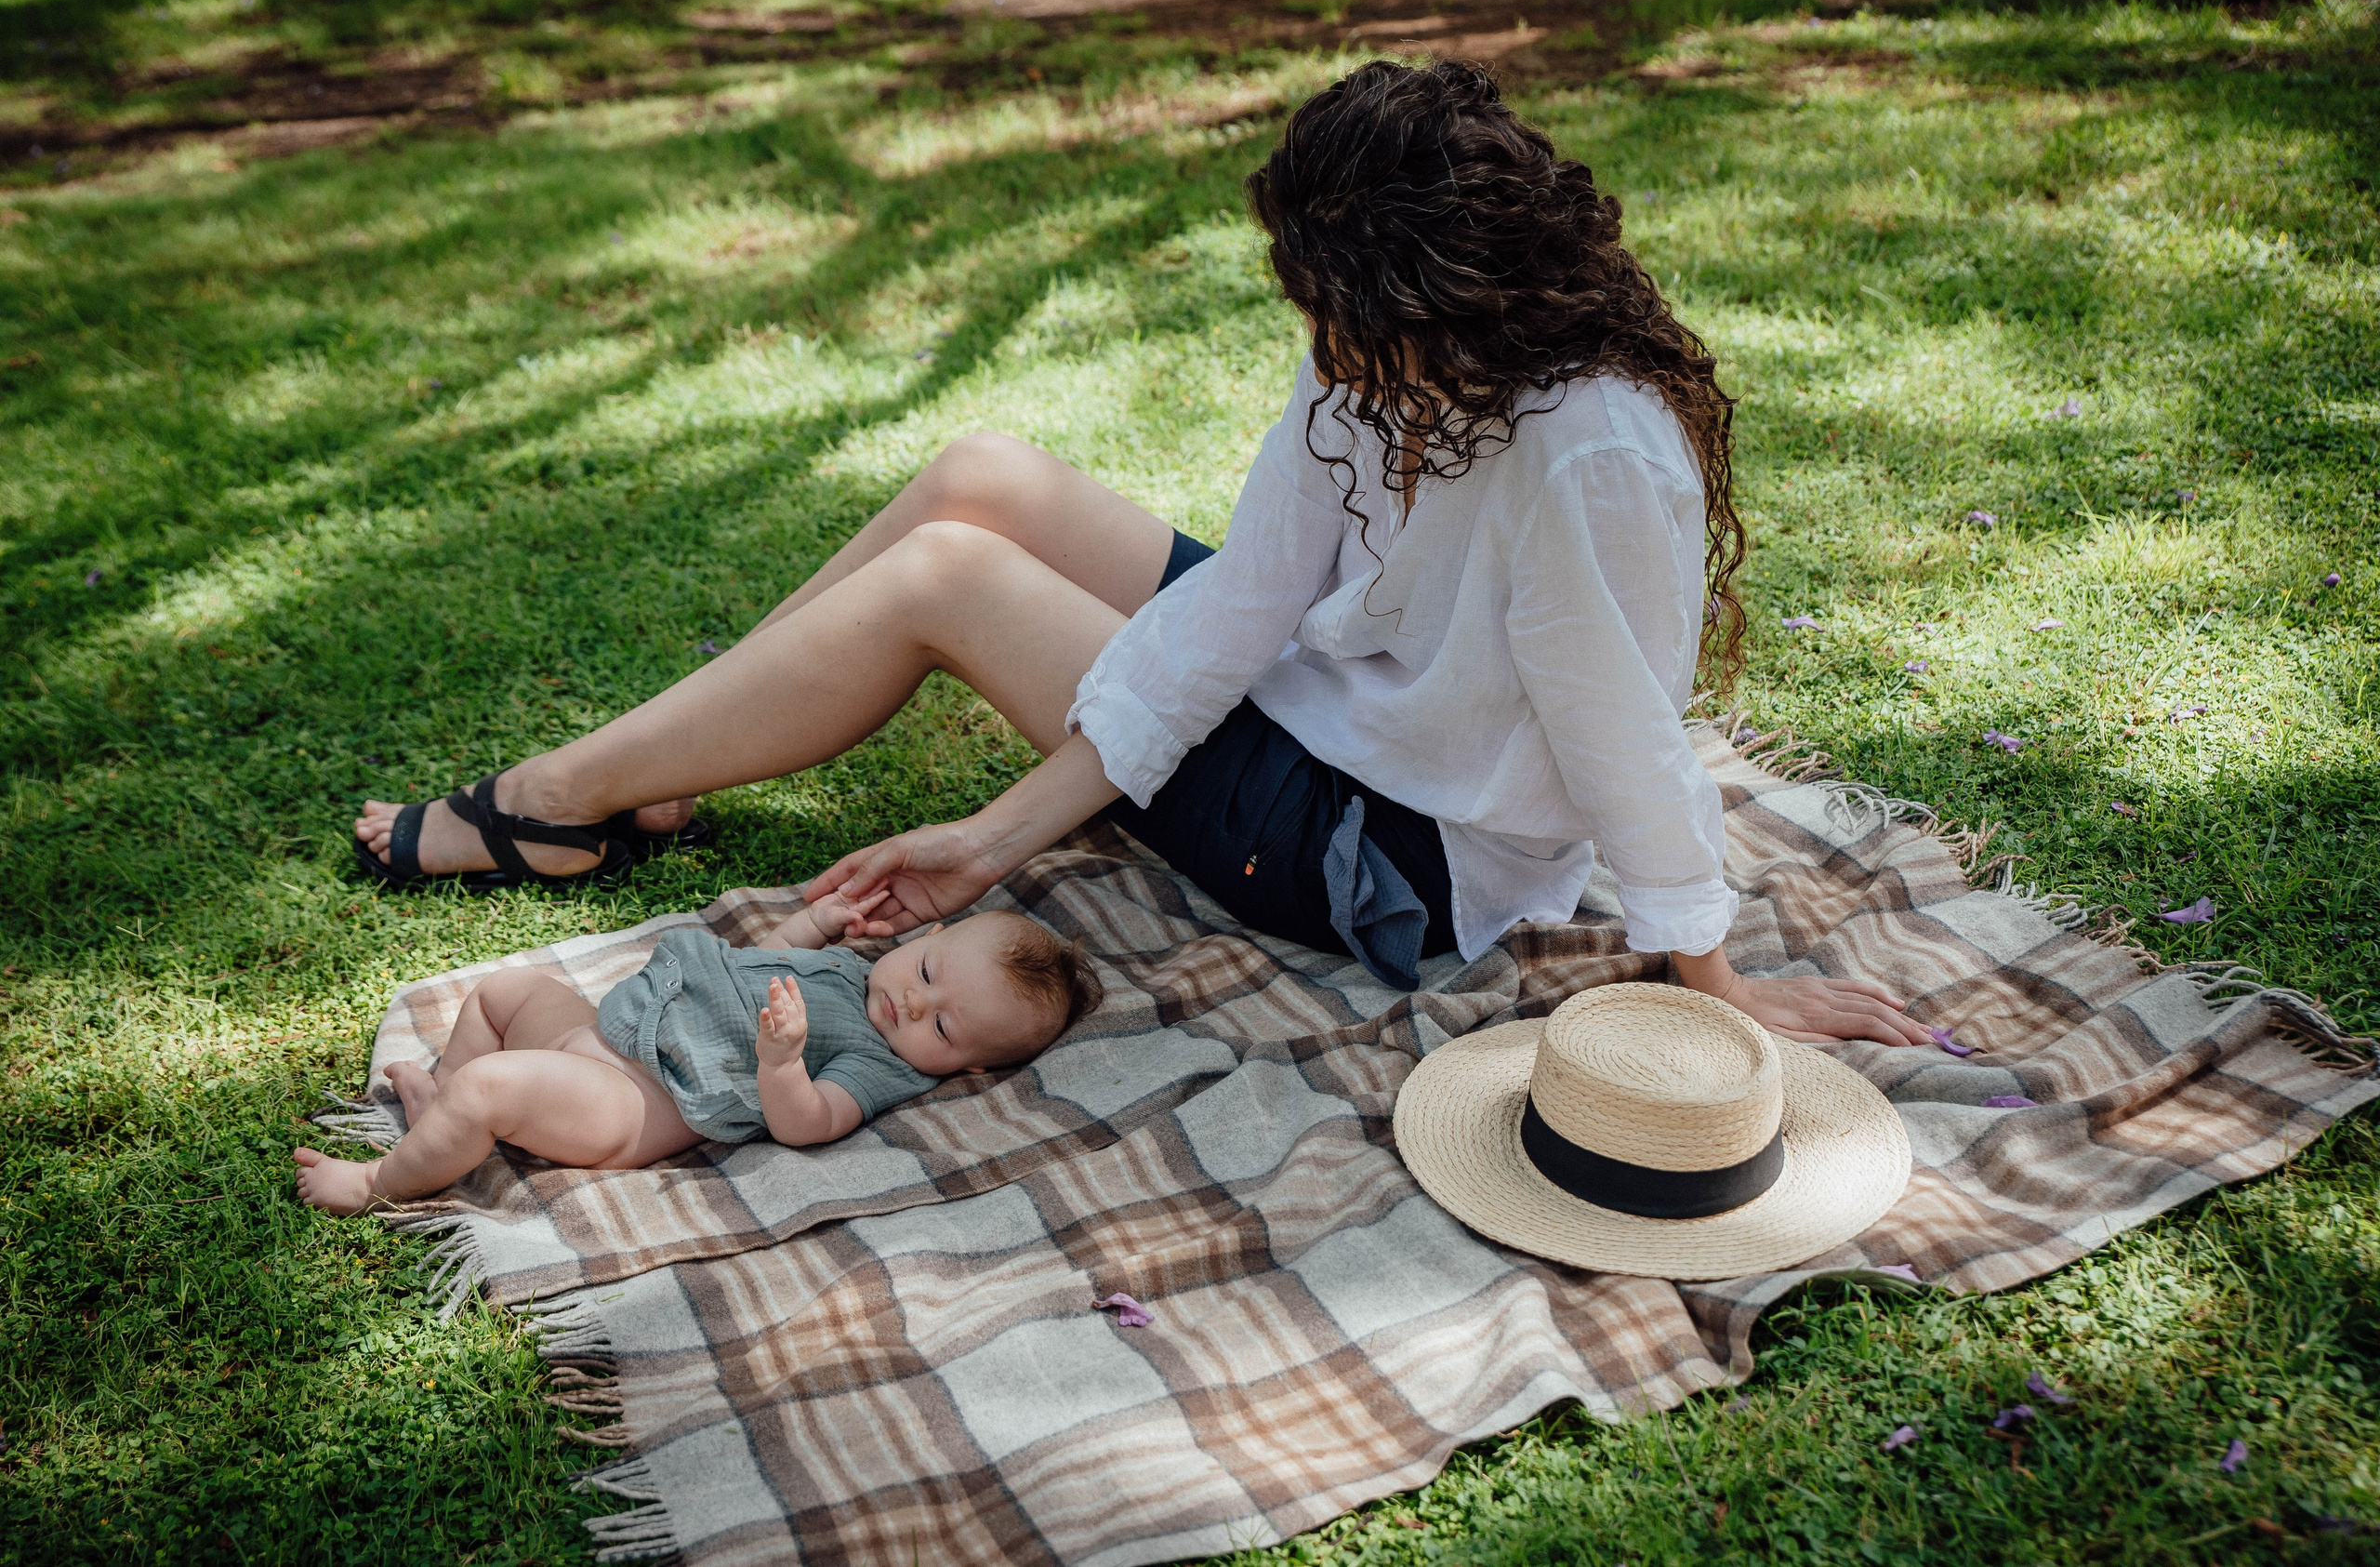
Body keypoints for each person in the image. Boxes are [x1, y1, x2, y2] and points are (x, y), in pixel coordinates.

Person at [352, 60, 1931, 1048]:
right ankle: (667, 761)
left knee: (946, 581)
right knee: (985, 475)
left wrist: (1704, 985)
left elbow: (1622, 737)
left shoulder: (1586, 447)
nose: (1311, 337)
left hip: (1395, 856)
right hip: (1324, 701)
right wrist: (1004, 828)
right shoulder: (1381, 355)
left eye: (1331, 308)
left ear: (1437, 297)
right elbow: (1247, 599)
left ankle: (557, 802)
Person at [292, 894, 1102, 1214]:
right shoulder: (856, 972)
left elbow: (809, 1124)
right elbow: (767, 956)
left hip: (635, 1099)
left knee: (496, 1084)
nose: (914, 1003)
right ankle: (440, 1103)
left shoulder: (881, 1064)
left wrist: (782, 1063)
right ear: (925, 939)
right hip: (608, 1031)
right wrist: (815, 925)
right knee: (507, 993)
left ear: (966, 1069)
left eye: (945, 1028)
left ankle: (376, 1182)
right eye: (926, 972)